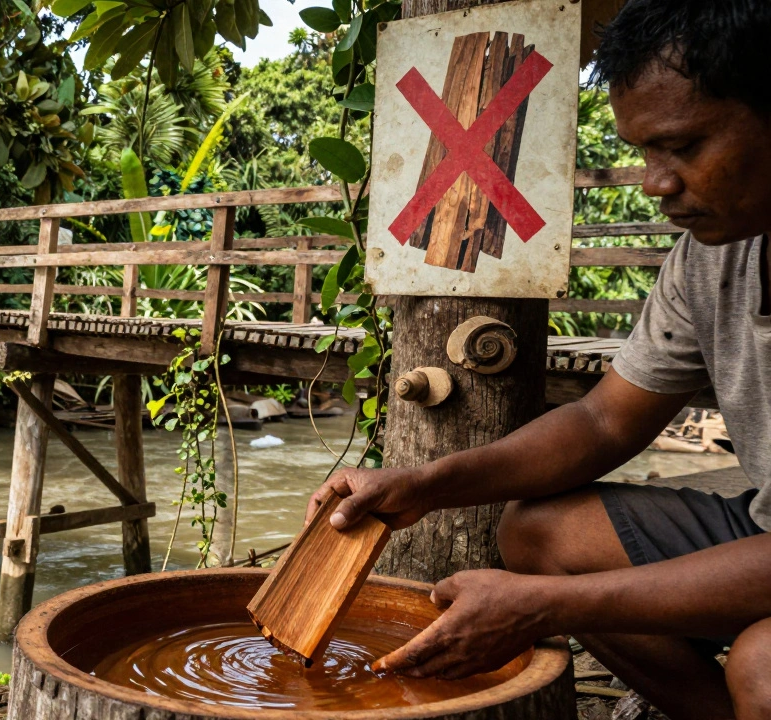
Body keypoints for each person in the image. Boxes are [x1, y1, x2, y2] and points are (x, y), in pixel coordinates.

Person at [307, 2, 771, 719]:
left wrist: (545, 607)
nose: (657, 183)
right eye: (645, 152)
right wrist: (426, 485)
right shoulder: (711, 260)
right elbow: (600, 423)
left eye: (684, 146)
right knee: (538, 534)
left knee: (764, 664)